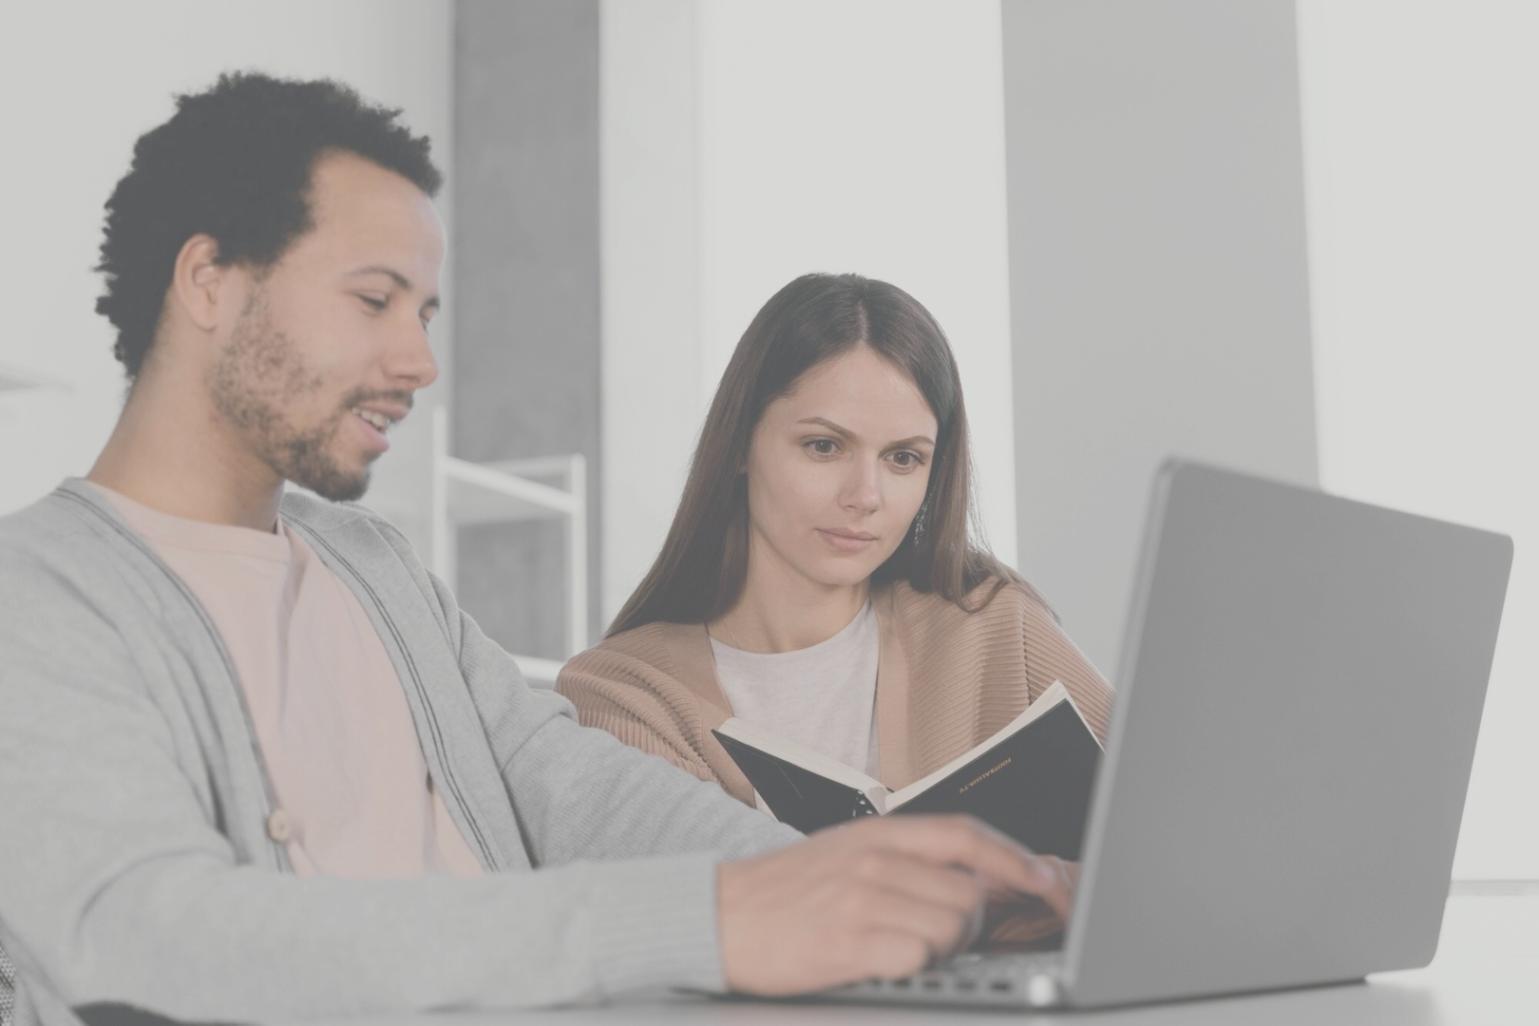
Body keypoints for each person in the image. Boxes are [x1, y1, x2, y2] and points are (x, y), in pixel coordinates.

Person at [0, 73, 1075, 1026]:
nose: (420, 359)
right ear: (209, 283)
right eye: (374, 299)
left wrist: (854, 888)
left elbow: (571, 784)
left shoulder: (373, 570)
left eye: (425, 310)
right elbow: (147, 931)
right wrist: (700, 921)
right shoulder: (40, 592)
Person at [559, 273, 1113, 816]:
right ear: (740, 446)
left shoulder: (992, 625)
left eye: (903, 458)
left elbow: (1168, 820)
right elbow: (669, 901)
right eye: (824, 446)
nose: (865, 496)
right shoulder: (628, 696)